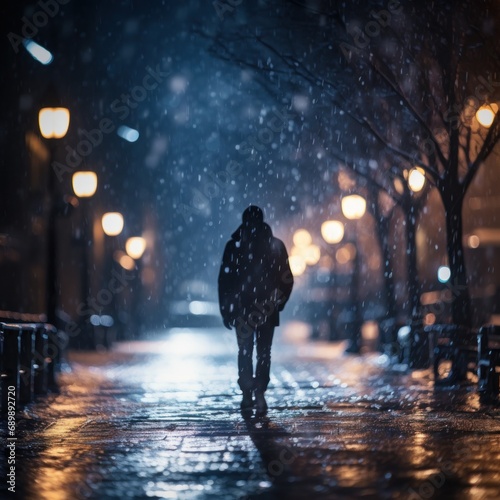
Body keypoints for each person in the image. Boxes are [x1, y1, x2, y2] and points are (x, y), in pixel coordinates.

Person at [218, 206, 293, 414]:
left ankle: (247, 393)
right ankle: (259, 392)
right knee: (263, 353)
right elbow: (286, 278)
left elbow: (224, 281)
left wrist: (227, 309)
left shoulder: (234, 247)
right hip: (266, 310)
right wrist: (278, 302)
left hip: (243, 310)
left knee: (246, 351)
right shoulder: (275, 246)